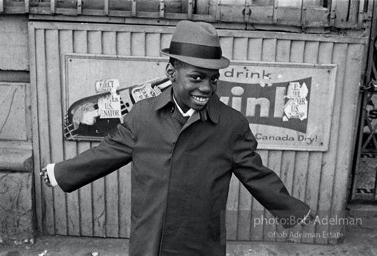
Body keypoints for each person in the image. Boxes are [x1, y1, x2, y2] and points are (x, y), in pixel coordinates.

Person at [41, 20, 316, 256]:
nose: (206, 88)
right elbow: (106, 154)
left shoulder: (231, 125)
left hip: (199, 242)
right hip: (150, 240)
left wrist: (292, 209)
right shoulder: (143, 116)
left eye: (213, 79)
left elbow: (256, 174)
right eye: (196, 77)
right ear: (171, 74)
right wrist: (60, 172)